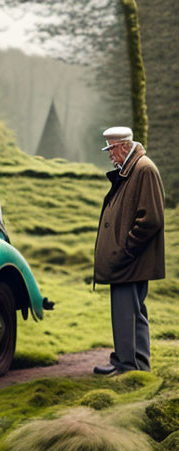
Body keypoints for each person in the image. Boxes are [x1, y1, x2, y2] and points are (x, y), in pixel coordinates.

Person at [93, 126, 165, 375]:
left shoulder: (143, 169)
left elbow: (151, 219)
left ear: (124, 145)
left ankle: (129, 366)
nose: (110, 154)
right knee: (129, 312)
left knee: (129, 313)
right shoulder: (131, 169)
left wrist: (127, 249)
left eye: (111, 148)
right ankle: (131, 363)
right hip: (128, 260)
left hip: (131, 261)